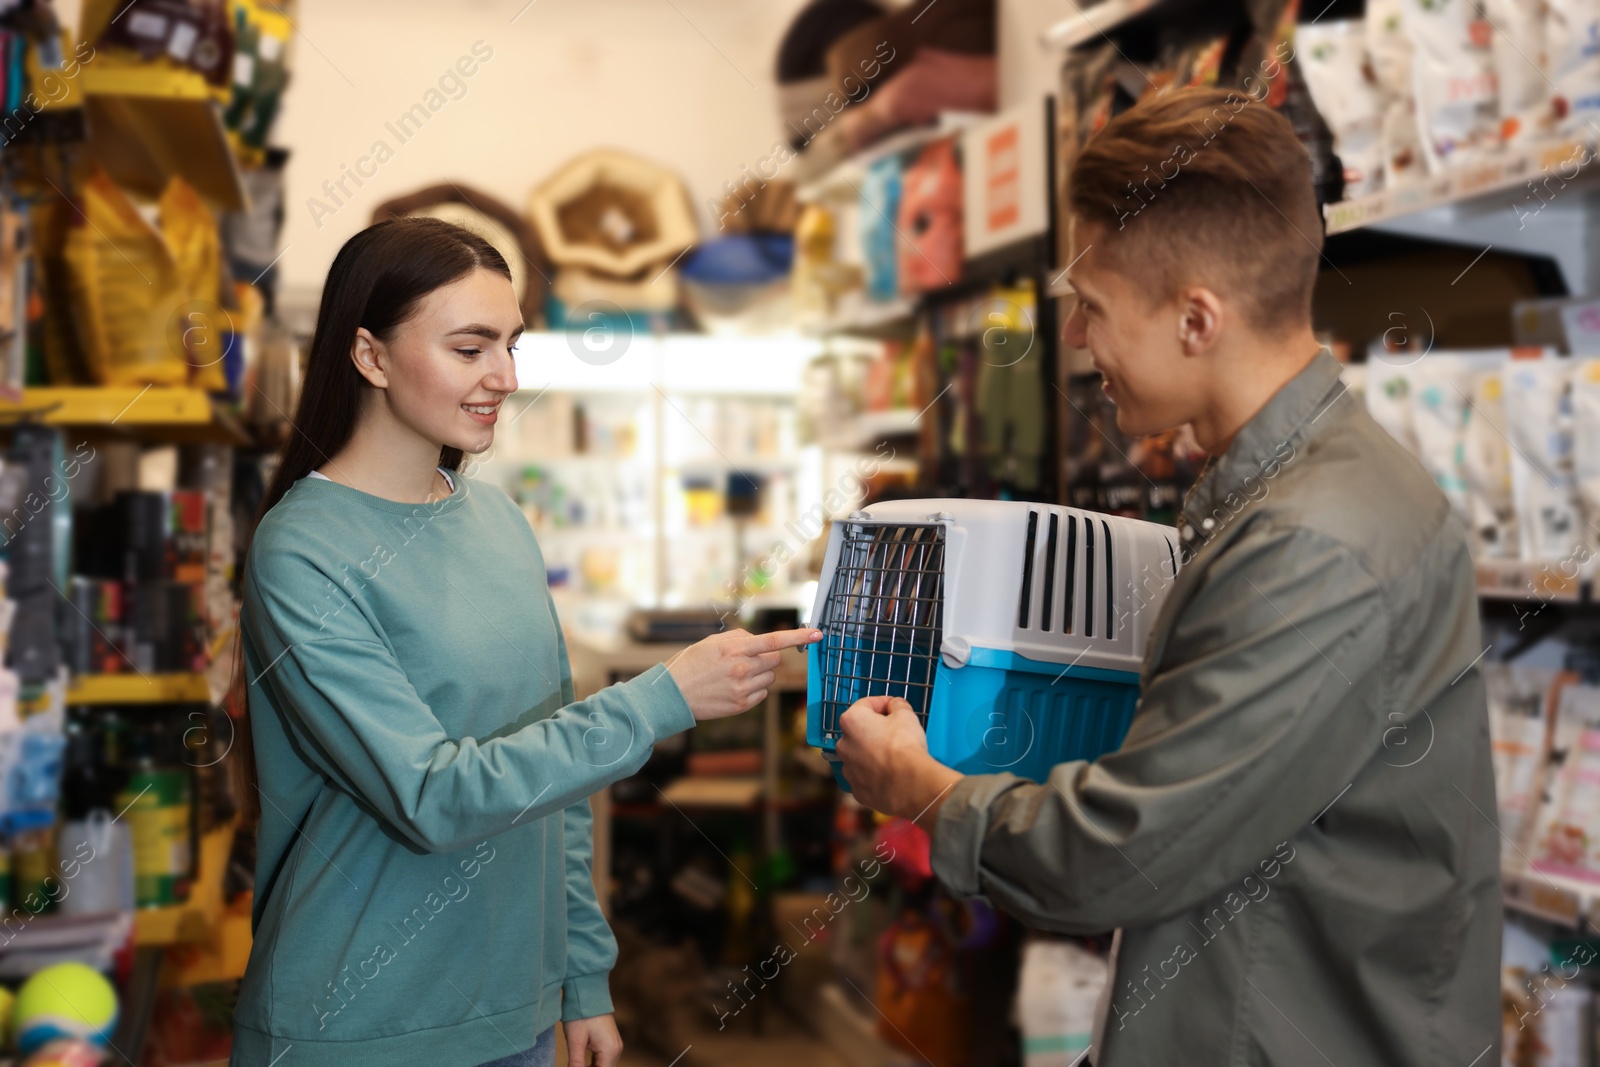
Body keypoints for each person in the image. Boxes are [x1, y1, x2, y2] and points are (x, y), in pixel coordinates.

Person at [835, 86, 1499, 1065]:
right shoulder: (1285, 494)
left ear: (1196, 318)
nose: (1074, 339)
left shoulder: (1314, 541)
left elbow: (1122, 850)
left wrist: (925, 788)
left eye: (1090, 307)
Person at [228, 216, 821, 1067]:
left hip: (518, 1018)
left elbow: (559, 787)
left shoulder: (499, 520)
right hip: (356, 1029)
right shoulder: (301, 551)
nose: (505, 377)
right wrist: (663, 697)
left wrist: (581, 975)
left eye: (511, 345)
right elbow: (431, 796)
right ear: (370, 356)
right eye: (471, 349)